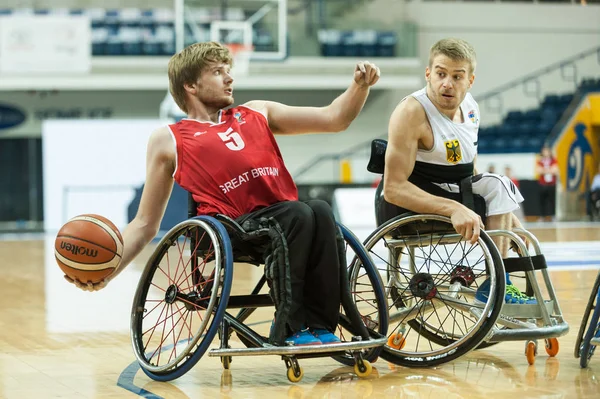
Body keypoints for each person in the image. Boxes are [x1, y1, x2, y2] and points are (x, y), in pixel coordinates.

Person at [64, 41, 381, 346]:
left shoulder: (256, 113)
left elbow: (334, 119)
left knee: (321, 210)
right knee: (298, 212)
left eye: (228, 70)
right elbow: (145, 223)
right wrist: (107, 273)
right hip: (233, 227)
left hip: (283, 218)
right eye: (217, 71)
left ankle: (322, 325)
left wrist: (359, 87)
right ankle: (288, 325)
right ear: (191, 85)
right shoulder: (169, 139)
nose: (229, 77)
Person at [378, 37, 535, 304]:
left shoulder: (471, 108)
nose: (447, 83)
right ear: (428, 74)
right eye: (440, 74)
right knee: (498, 186)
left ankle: (497, 284)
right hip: (410, 204)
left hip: (452, 189)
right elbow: (392, 189)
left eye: (457, 76)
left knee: (501, 187)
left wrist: (504, 214)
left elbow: (470, 171)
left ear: (470, 81)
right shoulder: (411, 112)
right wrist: (453, 209)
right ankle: (497, 288)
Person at [535, 145, 559, 222]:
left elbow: (555, 171)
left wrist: (544, 170)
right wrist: (549, 170)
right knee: (542, 201)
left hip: (551, 184)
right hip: (542, 184)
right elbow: (538, 171)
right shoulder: (540, 161)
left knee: (552, 201)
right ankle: (542, 216)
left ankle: (553, 216)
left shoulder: (553, 160)